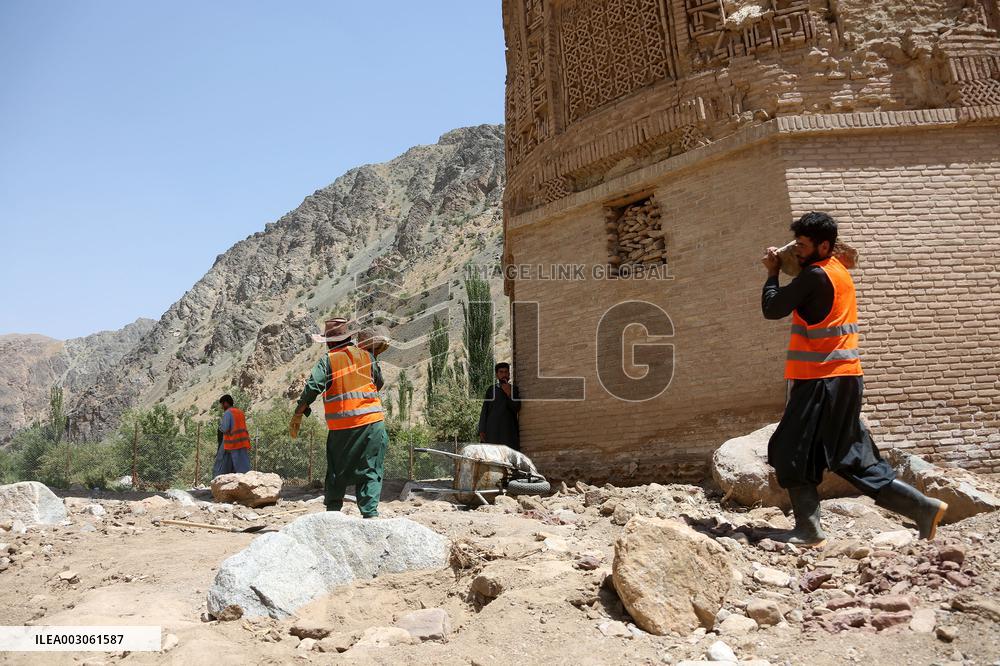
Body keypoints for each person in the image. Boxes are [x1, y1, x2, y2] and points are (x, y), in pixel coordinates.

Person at [761, 211, 947, 547]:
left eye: (803, 245)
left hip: (822, 381)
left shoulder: (815, 276)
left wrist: (772, 274)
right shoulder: (837, 271)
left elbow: (772, 308)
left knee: (790, 449)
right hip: (842, 380)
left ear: (824, 245)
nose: (798, 250)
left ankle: (808, 530)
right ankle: (923, 509)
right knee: (849, 456)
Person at [290, 318, 388, 518]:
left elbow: (312, 387)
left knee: (337, 471)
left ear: (329, 341)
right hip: (373, 425)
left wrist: (299, 411)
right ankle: (370, 516)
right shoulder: (367, 357)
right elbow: (378, 383)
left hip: (342, 429)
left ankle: (333, 513)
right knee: (370, 469)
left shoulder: (329, 359)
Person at [478, 362, 521, 450]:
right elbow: (485, 410)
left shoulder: (514, 390)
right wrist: (482, 429)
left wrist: (509, 394)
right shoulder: (491, 390)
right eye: (501, 372)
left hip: (508, 431)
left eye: (506, 372)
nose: (504, 374)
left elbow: (517, 408)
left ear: (509, 374)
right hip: (492, 430)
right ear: (497, 375)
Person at [215, 394, 251, 475]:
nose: (221, 407)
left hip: (234, 443)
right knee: (244, 465)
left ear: (226, 403)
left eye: (222, 404)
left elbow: (225, 428)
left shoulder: (228, 413)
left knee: (228, 465)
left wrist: (220, 426)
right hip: (243, 442)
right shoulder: (240, 412)